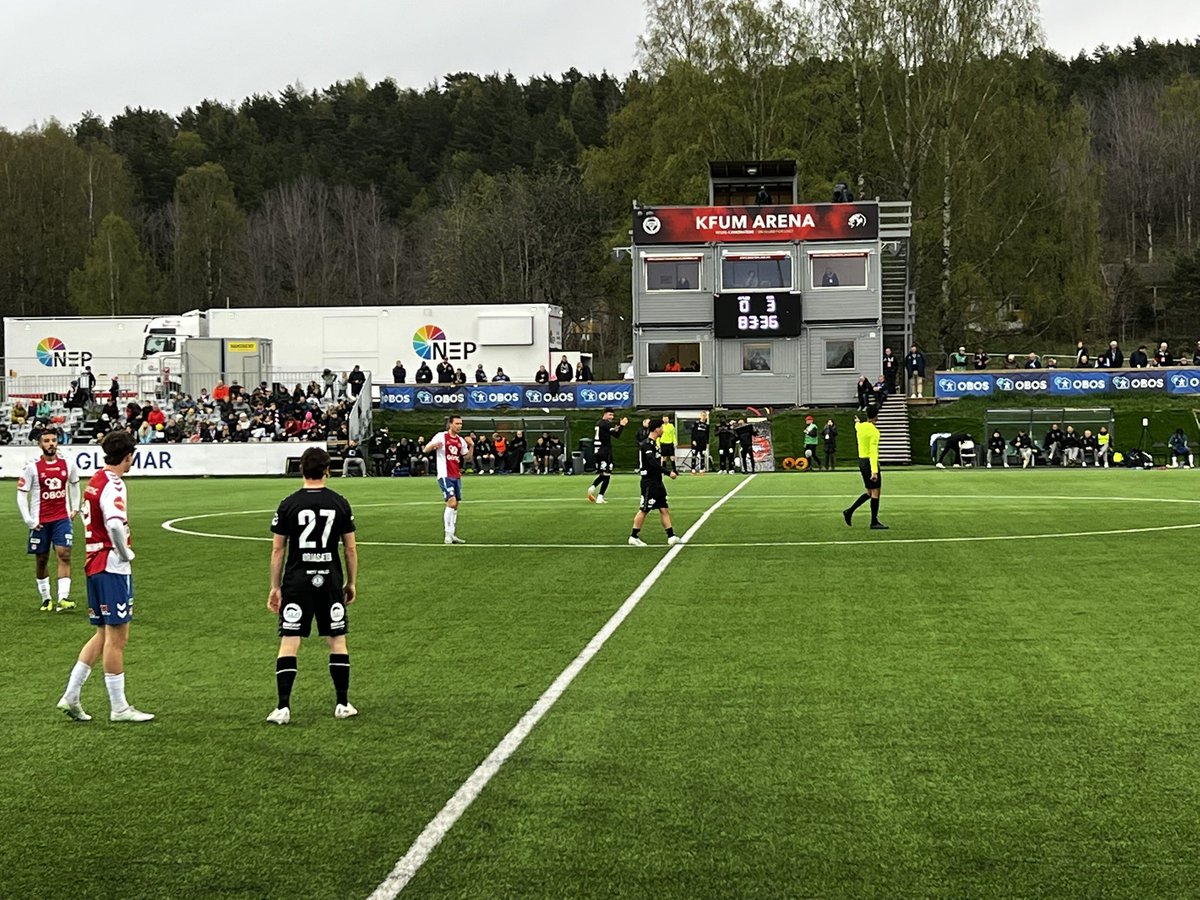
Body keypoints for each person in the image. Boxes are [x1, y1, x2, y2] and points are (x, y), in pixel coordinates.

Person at [55, 430, 152, 722]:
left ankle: (71, 695)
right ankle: (119, 707)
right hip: (111, 565)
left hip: (93, 563)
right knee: (117, 637)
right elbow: (114, 523)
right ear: (128, 456)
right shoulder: (114, 484)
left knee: (102, 633)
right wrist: (125, 553)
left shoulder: (95, 480)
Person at [265, 446, 358, 724]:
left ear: (301, 470)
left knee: (290, 642)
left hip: (297, 581)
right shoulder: (339, 502)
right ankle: (342, 703)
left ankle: (282, 707)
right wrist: (351, 582)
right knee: (337, 640)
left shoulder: (288, 503)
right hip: (329, 580)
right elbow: (350, 549)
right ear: (327, 470)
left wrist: (275, 586)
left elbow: (278, 550)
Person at [18, 430, 81, 612]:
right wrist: (29, 520)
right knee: (41, 559)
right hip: (40, 521)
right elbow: (21, 495)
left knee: (64, 553)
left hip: (61, 518)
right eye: (46, 441)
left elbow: (74, 484)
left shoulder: (68, 464)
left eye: (53, 440)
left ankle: (63, 598)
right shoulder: (31, 467)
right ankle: (46, 598)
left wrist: (75, 506)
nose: (51, 443)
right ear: (40, 445)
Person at [628, 418, 681, 547]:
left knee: (664, 508)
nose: (663, 430)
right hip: (649, 482)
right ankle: (633, 536)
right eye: (661, 428)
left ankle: (671, 536)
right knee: (644, 509)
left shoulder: (655, 444)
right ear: (656, 429)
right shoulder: (647, 444)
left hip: (657, 482)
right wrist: (669, 473)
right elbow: (652, 462)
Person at [424, 415, 474, 544]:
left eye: (461, 424)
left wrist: (472, 446)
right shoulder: (441, 436)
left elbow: (467, 457)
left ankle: (452, 534)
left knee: (455, 505)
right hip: (445, 475)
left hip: (456, 475)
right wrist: (434, 445)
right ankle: (447, 534)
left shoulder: (460, 440)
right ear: (450, 424)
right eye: (457, 423)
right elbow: (425, 449)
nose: (459, 426)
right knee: (451, 502)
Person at [843, 407, 886, 529]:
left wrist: (857, 421)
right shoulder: (874, 432)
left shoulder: (860, 427)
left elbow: (857, 425)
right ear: (876, 416)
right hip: (869, 462)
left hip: (861, 461)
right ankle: (874, 521)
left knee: (869, 492)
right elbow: (873, 452)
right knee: (876, 492)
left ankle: (849, 511)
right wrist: (874, 471)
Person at [588, 408, 629, 503]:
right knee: (607, 474)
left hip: (598, 450)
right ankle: (599, 496)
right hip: (604, 451)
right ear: (605, 414)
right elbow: (616, 435)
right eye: (610, 415)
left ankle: (593, 488)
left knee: (605, 473)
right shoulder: (605, 424)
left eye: (613, 415)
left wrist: (617, 427)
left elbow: (611, 431)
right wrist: (622, 425)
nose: (612, 417)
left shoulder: (599, 423)